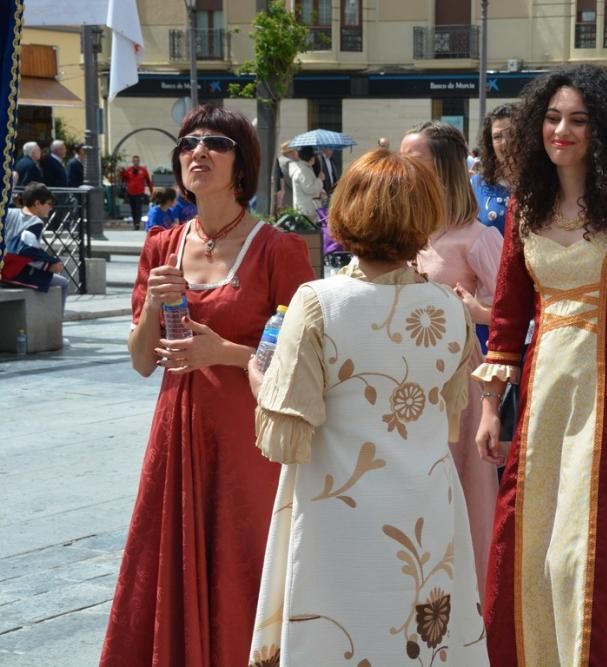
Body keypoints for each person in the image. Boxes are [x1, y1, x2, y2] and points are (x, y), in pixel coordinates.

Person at [473, 64, 607, 665]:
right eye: (551, 117)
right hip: (543, 397)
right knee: (536, 533)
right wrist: (492, 409)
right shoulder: (525, 206)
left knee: (594, 539)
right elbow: (509, 317)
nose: (561, 130)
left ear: (603, 129)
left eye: (577, 120)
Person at [247, 149, 488, 666]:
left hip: (338, 508)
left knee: (337, 634)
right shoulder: (451, 307)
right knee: (424, 640)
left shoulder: (318, 302)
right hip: (425, 501)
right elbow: (445, 415)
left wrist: (257, 376)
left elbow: (287, 427)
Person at [100, 106, 315, 667]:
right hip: (177, 430)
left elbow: (303, 358)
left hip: (248, 437)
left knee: (242, 563)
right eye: (188, 142)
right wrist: (152, 302)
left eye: (215, 143)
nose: (198, 151)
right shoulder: (162, 245)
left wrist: (222, 352)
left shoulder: (277, 248)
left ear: (241, 164)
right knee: (166, 560)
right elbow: (143, 361)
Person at [400, 120, 503, 601]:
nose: (401, 165)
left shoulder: (478, 237)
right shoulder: (403, 231)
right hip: (400, 377)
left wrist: (470, 309)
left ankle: (468, 600)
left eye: (413, 156)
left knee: (462, 491)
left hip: (457, 379)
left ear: (442, 167)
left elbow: (512, 317)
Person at [1, 182, 69, 308]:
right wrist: (50, 264)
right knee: (63, 283)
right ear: (37, 203)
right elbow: (27, 251)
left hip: (3, 267)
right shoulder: (35, 222)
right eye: (49, 204)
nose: (51, 208)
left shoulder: (9, 212)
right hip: (12, 273)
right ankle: (56, 322)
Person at [472, 103, 515, 235]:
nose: (505, 143)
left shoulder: (543, 184)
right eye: (497, 137)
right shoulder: (476, 185)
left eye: (512, 134)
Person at [288, 145, 325, 222]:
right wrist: (319, 180)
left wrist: (320, 191)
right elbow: (310, 189)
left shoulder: (305, 168)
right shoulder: (304, 171)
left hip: (306, 208)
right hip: (307, 211)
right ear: (311, 157)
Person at [119, 154, 153, 230]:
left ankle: (137, 223)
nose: (136, 162)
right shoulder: (129, 170)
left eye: (137, 161)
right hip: (131, 193)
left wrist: (151, 191)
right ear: (132, 161)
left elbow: (148, 181)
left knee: (138, 208)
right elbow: (124, 179)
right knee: (133, 208)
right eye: (134, 161)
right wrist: (122, 172)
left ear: (139, 161)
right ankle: (135, 222)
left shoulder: (143, 170)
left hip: (140, 192)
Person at [273, 140, 297, 212]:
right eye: (295, 150)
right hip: (287, 198)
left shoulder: (280, 160)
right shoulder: (288, 163)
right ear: (290, 152)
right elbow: (291, 181)